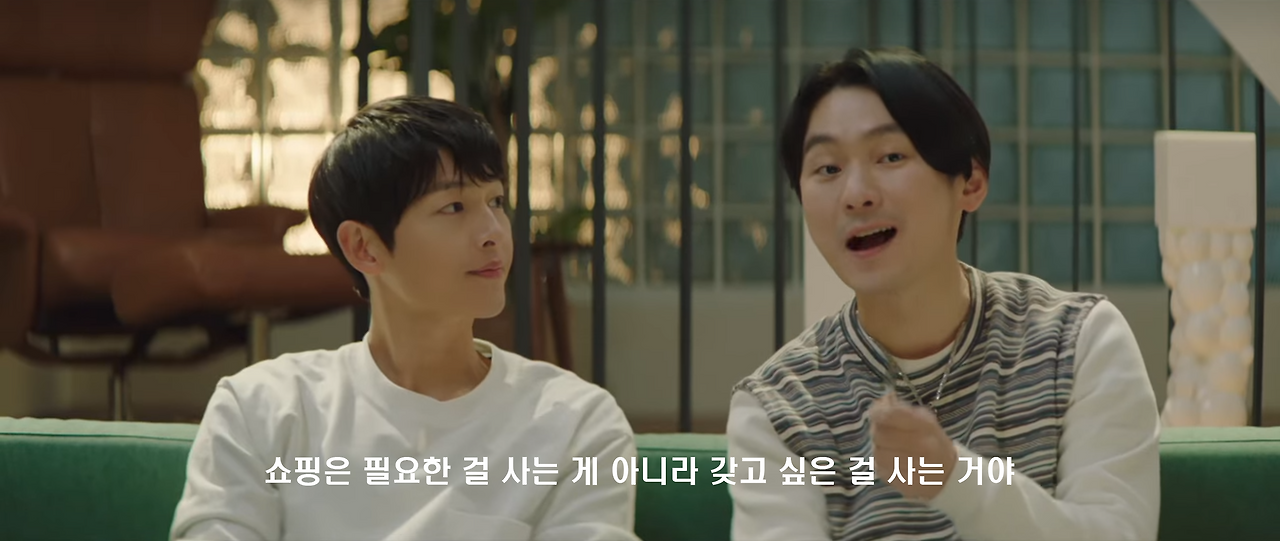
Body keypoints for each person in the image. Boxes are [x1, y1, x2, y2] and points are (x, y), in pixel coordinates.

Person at [725, 48, 1161, 541]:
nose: (856, 194)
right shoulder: (778, 407)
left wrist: (955, 479)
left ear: (970, 182)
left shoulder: (1078, 342)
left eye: (891, 156)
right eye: (827, 169)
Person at [170, 96, 640, 541]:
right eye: (454, 207)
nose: (493, 232)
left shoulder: (574, 421)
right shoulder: (264, 409)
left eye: (496, 201)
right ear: (364, 247)